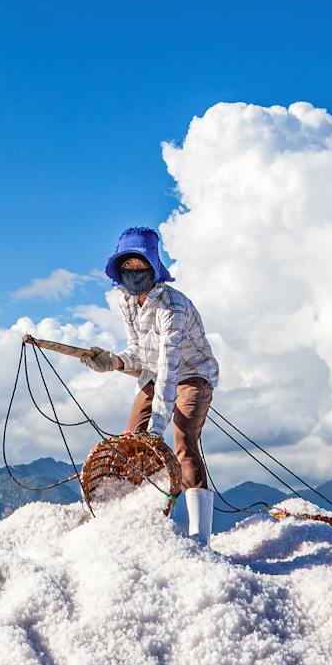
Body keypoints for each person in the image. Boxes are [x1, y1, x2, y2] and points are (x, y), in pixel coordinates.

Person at [80, 227, 221, 544]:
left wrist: (156, 433)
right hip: (154, 373)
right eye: (127, 267)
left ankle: (201, 538)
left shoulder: (174, 308)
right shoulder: (127, 303)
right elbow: (140, 354)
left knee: (183, 437)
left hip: (191, 373)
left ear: (153, 267)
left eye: (139, 265)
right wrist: (114, 362)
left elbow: (169, 370)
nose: (133, 273)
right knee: (131, 442)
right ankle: (135, 525)